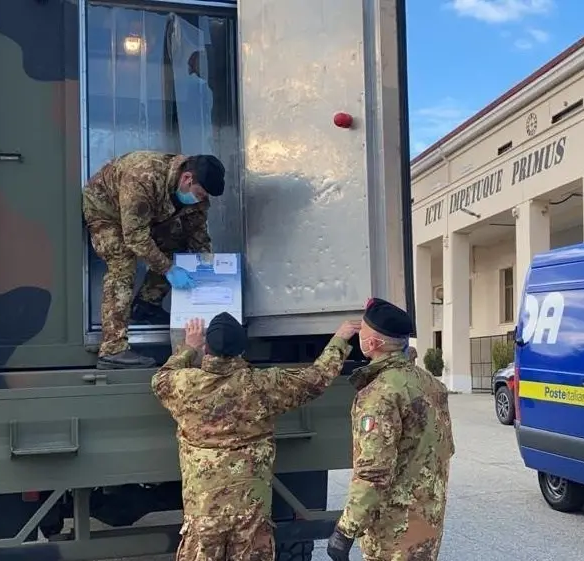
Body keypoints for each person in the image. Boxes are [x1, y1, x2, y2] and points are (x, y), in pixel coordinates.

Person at [152, 313, 360, 561]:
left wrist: (188, 348)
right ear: (243, 349)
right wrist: (339, 339)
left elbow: (161, 378)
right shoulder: (263, 384)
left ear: (207, 348)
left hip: (203, 513)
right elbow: (315, 379)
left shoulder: (184, 385)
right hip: (251, 514)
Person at [327, 298, 455, 561]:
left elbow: (373, 472)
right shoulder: (429, 383)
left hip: (395, 531)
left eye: (361, 330)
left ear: (372, 344)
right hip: (428, 521)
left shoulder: (379, 394)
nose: (357, 334)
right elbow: (444, 449)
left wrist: (345, 530)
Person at [83, 151, 226, 370]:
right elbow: (135, 238)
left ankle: (146, 305)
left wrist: (207, 263)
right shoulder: (143, 177)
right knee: (123, 262)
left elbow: (196, 232)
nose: (201, 199)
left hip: (144, 216)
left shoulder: (196, 196)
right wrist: (169, 269)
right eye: (200, 193)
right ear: (187, 179)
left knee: (176, 243)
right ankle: (113, 349)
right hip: (106, 210)